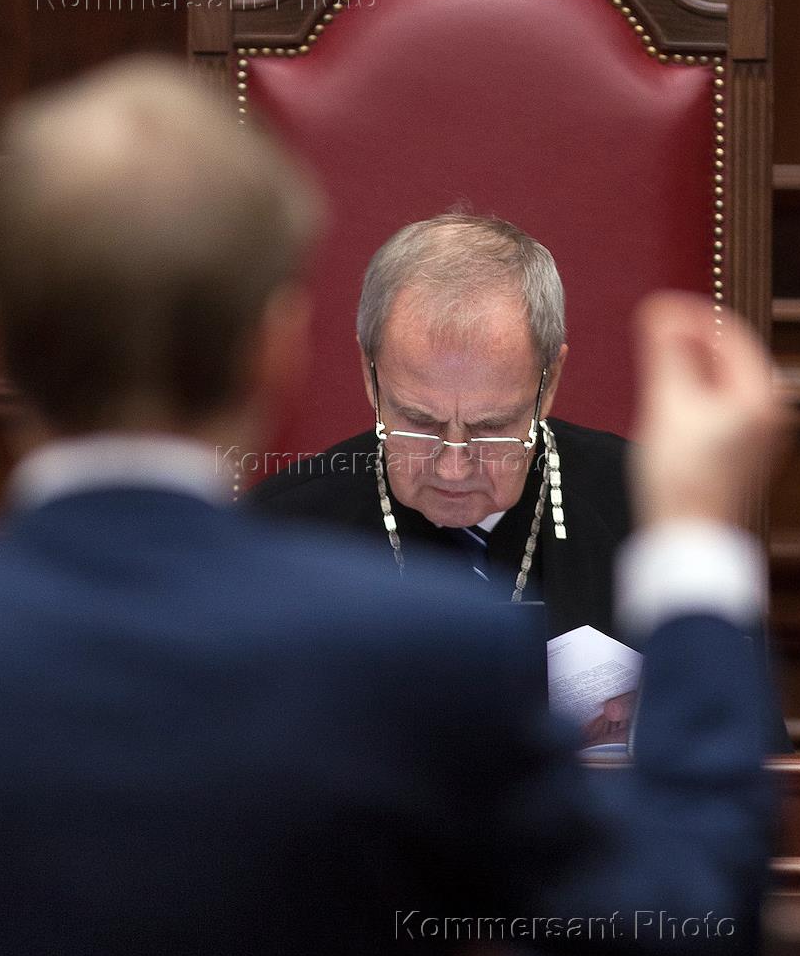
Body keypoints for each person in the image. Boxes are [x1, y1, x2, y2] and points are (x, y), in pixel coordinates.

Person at [0, 56, 786, 956]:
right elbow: (682, 945)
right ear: (281, 349)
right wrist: (698, 544)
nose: (455, 462)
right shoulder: (426, 651)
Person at [250, 214, 628, 645]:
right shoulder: (275, 534)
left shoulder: (650, 513)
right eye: (420, 421)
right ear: (370, 374)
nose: (452, 468)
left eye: (490, 426)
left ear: (551, 381)